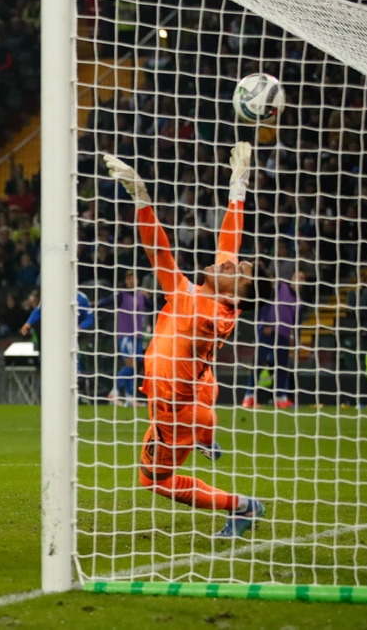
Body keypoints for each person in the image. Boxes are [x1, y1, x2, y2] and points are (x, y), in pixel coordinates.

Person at [104, 143, 265, 538]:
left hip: (177, 412)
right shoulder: (201, 296)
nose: (229, 261)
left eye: (236, 270)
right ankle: (208, 440)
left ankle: (242, 506)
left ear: (232, 294)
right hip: (194, 393)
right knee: (201, 393)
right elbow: (228, 239)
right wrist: (238, 185)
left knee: (154, 480)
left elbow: (159, 251)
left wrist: (142, 199)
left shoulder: (208, 313)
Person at [243, 270, 304, 409]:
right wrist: (264, 324)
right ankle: (249, 396)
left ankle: (281, 397)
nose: (299, 281)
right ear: (292, 278)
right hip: (268, 332)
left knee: (282, 367)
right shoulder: (279, 287)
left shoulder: (299, 301)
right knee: (258, 364)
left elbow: (297, 324)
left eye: (302, 279)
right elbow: (264, 302)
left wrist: (297, 342)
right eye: (297, 277)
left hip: (283, 335)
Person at [97, 270, 151, 407]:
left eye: (133, 278)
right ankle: (114, 392)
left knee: (134, 368)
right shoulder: (121, 295)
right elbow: (107, 301)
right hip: (126, 335)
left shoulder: (141, 297)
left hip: (137, 336)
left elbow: (154, 306)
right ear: (126, 282)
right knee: (130, 365)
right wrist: (94, 304)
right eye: (128, 279)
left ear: (137, 280)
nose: (130, 281)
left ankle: (129, 398)